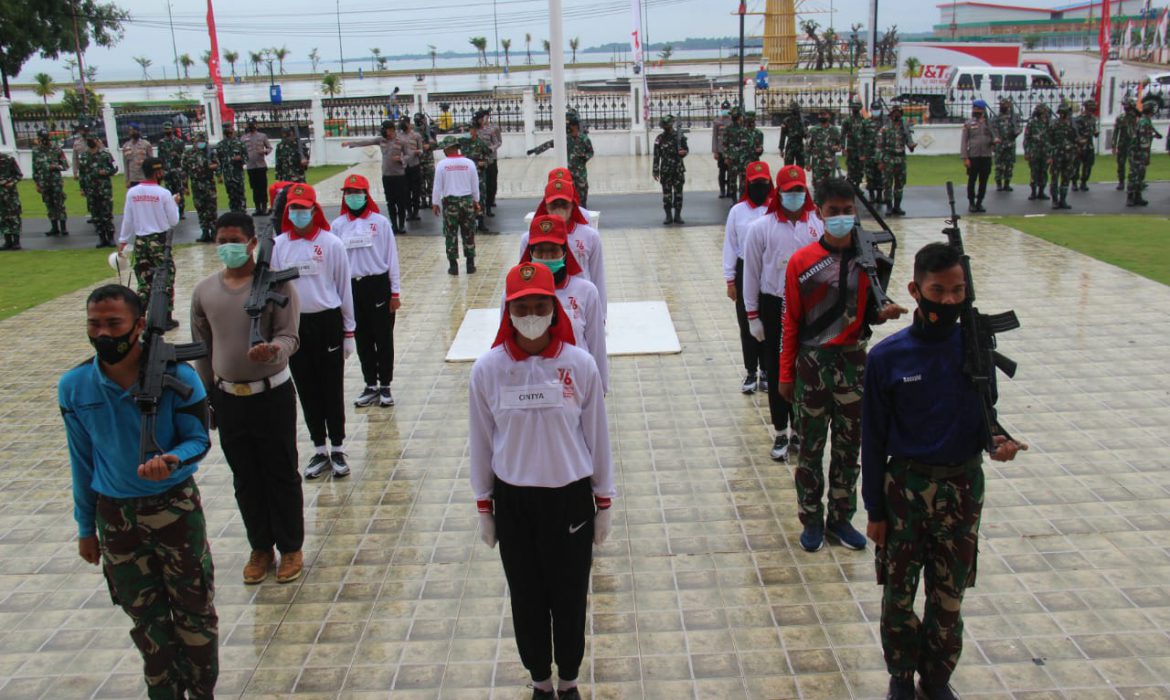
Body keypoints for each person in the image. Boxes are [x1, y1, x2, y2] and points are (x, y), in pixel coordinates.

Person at [862, 242, 1027, 700]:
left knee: (949, 596)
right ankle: (900, 677)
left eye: (959, 291)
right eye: (939, 290)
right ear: (916, 290)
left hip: (962, 488)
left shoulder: (974, 346)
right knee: (898, 594)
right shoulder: (888, 357)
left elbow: (985, 414)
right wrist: (874, 508)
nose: (951, 300)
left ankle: (935, 680)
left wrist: (998, 443)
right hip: (906, 490)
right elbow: (872, 440)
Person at [60, 283, 218, 699]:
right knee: (147, 623)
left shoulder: (178, 376)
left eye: (114, 323)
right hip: (116, 518)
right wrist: (85, 527)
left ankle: (202, 692)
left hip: (174, 510)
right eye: (94, 325)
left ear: (140, 326)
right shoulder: (75, 387)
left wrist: (171, 459)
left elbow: (198, 438)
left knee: (194, 616)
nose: (103, 334)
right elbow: (82, 462)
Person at [469, 262, 614, 700]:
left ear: (554, 308)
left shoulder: (580, 365)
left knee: (569, 597)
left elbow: (597, 436)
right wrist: (484, 504)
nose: (531, 315)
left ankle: (568, 679)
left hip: (568, 499)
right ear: (508, 312)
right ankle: (540, 681)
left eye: (539, 305)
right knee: (527, 597)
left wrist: (603, 499)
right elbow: (480, 440)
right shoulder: (487, 371)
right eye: (522, 307)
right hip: (514, 502)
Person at [779, 177, 907, 553]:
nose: (840, 218)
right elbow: (790, 322)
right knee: (811, 450)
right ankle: (811, 520)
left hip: (854, 362)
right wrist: (786, 374)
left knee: (850, 449)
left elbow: (870, 312)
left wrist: (886, 313)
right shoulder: (802, 262)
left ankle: (840, 518)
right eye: (832, 212)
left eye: (847, 211)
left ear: (856, 212)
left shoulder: (869, 260)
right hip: (812, 364)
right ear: (820, 212)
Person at [191, 211, 305, 585]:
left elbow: (291, 336)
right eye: (221, 241)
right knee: (245, 477)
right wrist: (208, 395)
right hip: (229, 398)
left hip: (270, 394)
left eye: (235, 241)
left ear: (252, 243)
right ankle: (260, 547)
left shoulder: (276, 286)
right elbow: (202, 349)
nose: (228, 248)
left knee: (281, 472)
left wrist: (274, 350)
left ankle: (290, 546)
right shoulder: (205, 291)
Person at [270, 183, 356, 479]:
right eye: (293, 209)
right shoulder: (279, 245)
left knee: (331, 387)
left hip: (327, 321)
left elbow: (343, 287)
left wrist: (349, 331)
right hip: (295, 326)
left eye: (303, 209)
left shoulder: (331, 243)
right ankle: (319, 448)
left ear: (313, 209)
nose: (298, 214)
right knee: (306, 388)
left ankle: (338, 447)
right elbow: (275, 290)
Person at [743, 164, 824, 461]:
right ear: (779, 193)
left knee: (806, 368)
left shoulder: (817, 225)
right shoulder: (761, 228)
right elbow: (750, 274)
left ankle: (799, 430)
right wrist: (752, 316)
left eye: (800, 191)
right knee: (778, 368)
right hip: (775, 304)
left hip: (809, 306)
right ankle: (780, 431)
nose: (795, 196)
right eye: (789, 192)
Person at [331, 174, 402, 408]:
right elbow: (335, 263)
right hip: (352, 287)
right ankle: (370, 383)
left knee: (383, 337)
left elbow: (391, 257)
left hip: (377, 285)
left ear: (366, 194)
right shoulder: (338, 225)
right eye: (348, 193)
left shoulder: (380, 223)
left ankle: (386, 385)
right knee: (361, 337)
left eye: (357, 192)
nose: (353, 197)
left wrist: (395, 293)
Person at [521, 215, 608, 392]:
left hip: (576, 383)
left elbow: (596, 344)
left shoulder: (586, 291)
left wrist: (600, 386)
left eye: (553, 250)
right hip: (532, 387)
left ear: (565, 252)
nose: (546, 257)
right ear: (530, 253)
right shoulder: (513, 297)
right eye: (540, 251)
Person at [520, 173, 607, 314]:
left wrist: (601, 314)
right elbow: (524, 272)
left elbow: (598, 276)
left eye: (564, 204)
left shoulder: (590, 236)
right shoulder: (528, 238)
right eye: (554, 204)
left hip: (579, 302)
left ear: (573, 204)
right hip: (541, 302)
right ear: (546, 205)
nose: (559, 209)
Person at [722, 161, 773, 395]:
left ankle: (767, 371)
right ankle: (751, 370)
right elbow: (730, 246)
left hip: (770, 268)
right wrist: (730, 279)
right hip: (745, 269)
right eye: (755, 183)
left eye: (764, 183)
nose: (760, 187)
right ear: (747, 183)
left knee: (769, 319)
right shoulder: (738, 211)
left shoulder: (776, 208)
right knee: (747, 321)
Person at [118, 158, 180, 327]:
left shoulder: (132, 192)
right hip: (159, 242)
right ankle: (165, 317)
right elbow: (173, 220)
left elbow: (128, 219)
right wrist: (174, 204)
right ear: (158, 173)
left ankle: (139, 316)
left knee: (144, 282)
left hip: (140, 242)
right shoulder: (163, 193)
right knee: (166, 278)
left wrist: (123, 240)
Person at [343, 120, 410, 234]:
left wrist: (401, 159)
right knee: (390, 202)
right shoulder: (381, 140)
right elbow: (367, 141)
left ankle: (402, 224)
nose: (384, 132)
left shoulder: (402, 141)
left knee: (401, 201)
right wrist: (351, 143)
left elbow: (409, 155)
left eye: (386, 130)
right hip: (387, 175)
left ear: (392, 130)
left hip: (399, 175)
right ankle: (394, 225)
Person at [431, 136, 480, 275]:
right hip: (467, 202)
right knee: (469, 232)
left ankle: (453, 266)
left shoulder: (442, 165)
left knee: (450, 234)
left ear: (448, 148)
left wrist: (435, 203)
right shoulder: (469, 163)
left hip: (450, 203)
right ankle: (470, 264)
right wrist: (476, 201)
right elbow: (475, 185)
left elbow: (437, 186)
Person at [959, 100, 999, 213]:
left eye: (978, 109)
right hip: (973, 156)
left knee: (984, 180)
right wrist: (965, 157)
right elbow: (964, 142)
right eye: (974, 108)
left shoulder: (989, 124)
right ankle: (971, 203)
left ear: (983, 110)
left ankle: (979, 202)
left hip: (986, 155)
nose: (975, 110)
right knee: (972, 180)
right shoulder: (969, 123)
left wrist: (995, 141)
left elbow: (994, 138)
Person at [80, 136, 119, 248]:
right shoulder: (84, 156)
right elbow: (82, 174)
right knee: (96, 215)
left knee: (106, 214)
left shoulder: (105, 155)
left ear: (98, 142)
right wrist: (82, 188)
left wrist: (105, 171)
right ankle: (102, 238)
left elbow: (114, 169)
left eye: (94, 140)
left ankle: (111, 238)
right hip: (91, 190)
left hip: (104, 189)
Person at [876, 105, 915, 216]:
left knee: (900, 184)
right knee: (887, 184)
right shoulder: (885, 129)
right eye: (894, 113)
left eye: (898, 113)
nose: (896, 115)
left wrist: (911, 146)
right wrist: (880, 161)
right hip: (888, 159)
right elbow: (879, 146)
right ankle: (889, 206)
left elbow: (909, 141)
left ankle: (897, 206)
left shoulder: (905, 127)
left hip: (900, 159)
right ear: (891, 115)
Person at [32, 128, 70, 237]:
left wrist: (56, 166)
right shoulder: (36, 151)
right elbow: (35, 168)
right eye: (41, 138)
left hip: (55, 182)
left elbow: (65, 166)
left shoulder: (57, 149)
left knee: (59, 204)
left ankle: (63, 228)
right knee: (49, 205)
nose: (44, 140)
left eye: (45, 138)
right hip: (44, 182)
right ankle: (54, 227)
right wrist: (37, 183)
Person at [652, 114, 689, 225]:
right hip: (665, 170)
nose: (665, 127)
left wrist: (684, 152)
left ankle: (677, 215)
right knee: (667, 194)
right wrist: (655, 170)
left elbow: (686, 149)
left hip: (678, 168)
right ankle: (668, 216)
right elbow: (656, 156)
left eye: (666, 125)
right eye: (664, 125)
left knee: (678, 193)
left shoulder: (680, 136)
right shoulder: (659, 138)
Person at [183, 133, 220, 243]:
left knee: (211, 208)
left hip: (209, 184)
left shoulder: (210, 153)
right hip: (196, 185)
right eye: (199, 141)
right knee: (200, 208)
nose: (201, 143)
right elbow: (184, 171)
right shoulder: (188, 154)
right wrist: (185, 187)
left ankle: (214, 231)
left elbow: (217, 164)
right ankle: (204, 231)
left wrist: (212, 167)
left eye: (203, 141)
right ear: (194, 142)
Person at [1126, 101, 1162, 207]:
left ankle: (1138, 196)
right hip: (1137, 152)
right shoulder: (1144, 122)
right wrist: (1146, 155)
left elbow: (1146, 135)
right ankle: (1130, 197)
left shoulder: (1146, 121)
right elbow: (1143, 141)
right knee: (1134, 174)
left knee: (1140, 175)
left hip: (1140, 152)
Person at [461, 120, 493, 233]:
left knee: (481, 198)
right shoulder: (464, 143)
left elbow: (490, 157)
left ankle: (481, 222)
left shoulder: (481, 143)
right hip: (466, 176)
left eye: (473, 129)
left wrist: (484, 162)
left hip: (479, 175)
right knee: (468, 199)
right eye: (469, 129)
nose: (471, 132)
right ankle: (471, 222)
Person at [1047, 103, 1078, 210]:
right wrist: (1050, 155)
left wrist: (1074, 148)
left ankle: (1063, 200)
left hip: (1068, 155)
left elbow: (1076, 139)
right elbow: (1049, 141)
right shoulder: (1054, 125)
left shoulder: (1072, 125)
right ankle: (1055, 200)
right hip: (1057, 155)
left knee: (1066, 178)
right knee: (1054, 178)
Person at [806, 107, 842, 194]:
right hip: (817, 164)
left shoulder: (835, 130)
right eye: (820, 114)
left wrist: (837, 148)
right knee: (818, 187)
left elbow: (840, 145)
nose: (822, 116)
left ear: (829, 116)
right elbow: (807, 148)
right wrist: (807, 163)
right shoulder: (813, 130)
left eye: (824, 114)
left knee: (830, 187)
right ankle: (818, 205)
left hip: (830, 164)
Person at [242, 119, 273, 215]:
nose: (251, 126)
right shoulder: (243, 138)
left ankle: (264, 207)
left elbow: (269, 147)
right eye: (249, 124)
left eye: (253, 124)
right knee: (254, 188)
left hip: (261, 165)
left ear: (256, 125)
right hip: (251, 166)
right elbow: (241, 150)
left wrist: (264, 151)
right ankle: (257, 208)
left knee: (262, 187)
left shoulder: (262, 136)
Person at [157, 121, 188, 220]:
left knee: (179, 191)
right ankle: (171, 212)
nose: (167, 130)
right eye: (166, 129)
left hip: (177, 170)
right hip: (167, 171)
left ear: (172, 129)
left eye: (169, 128)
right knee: (169, 193)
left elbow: (184, 156)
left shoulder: (179, 142)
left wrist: (177, 155)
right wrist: (160, 170)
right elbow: (160, 157)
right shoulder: (161, 143)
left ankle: (181, 211)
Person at [216, 122, 248, 213]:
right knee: (231, 195)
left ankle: (242, 212)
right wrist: (218, 175)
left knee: (241, 194)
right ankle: (234, 212)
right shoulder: (220, 145)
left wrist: (240, 158)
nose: (230, 131)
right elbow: (218, 161)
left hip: (238, 174)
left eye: (230, 129)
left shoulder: (239, 143)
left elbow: (246, 157)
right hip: (227, 175)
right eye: (227, 129)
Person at [478, 108, 503, 217]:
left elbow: (498, 142)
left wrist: (491, 149)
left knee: (491, 182)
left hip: (491, 159)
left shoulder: (493, 129)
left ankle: (490, 200)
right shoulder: (474, 130)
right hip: (478, 161)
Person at [841, 100, 871, 190]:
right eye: (853, 107)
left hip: (861, 149)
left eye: (856, 106)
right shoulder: (847, 120)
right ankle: (850, 187)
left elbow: (867, 136)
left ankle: (857, 186)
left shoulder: (864, 121)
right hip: (851, 148)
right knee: (850, 168)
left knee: (860, 169)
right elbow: (843, 134)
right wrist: (843, 148)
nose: (855, 108)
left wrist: (866, 150)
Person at [398, 117, 424, 221]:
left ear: (409, 124)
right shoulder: (398, 136)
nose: (402, 125)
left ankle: (416, 211)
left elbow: (421, 149)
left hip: (415, 165)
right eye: (401, 123)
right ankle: (408, 212)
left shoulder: (416, 135)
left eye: (404, 123)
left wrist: (419, 152)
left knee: (416, 190)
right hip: (403, 166)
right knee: (405, 191)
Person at [1023, 104, 1051, 201]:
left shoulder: (1048, 123)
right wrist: (1027, 151)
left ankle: (1041, 192)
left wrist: (1050, 154)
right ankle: (1033, 192)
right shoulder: (1031, 123)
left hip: (1045, 152)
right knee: (1034, 172)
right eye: (1043, 112)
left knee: (1044, 172)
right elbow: (1026, 138)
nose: (1045, 114)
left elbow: (1051, 138)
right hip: (1034, 152)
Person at [992, 98, 1020, 192]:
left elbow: (1019, 128)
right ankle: (999, 184)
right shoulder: (996, 118)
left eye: (1007, 105)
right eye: (1004, 105)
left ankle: (1007, 183)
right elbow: (993, 130)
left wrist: (1016, 132)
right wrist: (996, 138)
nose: (1006, 107)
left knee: (1010, 164)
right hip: (1000, 145)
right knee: (999, 165)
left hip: (1010, 144)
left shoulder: (1013, 117)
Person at [567, 112, 594, 206]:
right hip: (569, 174)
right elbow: (551, 143)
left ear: (575, 126)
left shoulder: (584, 139)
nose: (569, 128)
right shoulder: (566, 139)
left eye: (571, 126)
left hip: (580, 174)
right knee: (570, 199)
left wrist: (584, 157)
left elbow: (591, 152)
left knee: (582, 199)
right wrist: (535, 150)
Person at [721, 107, 748, 200]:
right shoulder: (744, 130)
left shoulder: (728, 129)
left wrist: (726, 157)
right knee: (742, 180)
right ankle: (740, 199)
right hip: (742, 159)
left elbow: (724, 145)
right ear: (740, 117)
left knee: (733, 180)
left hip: (733, 158)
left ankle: (734, 200)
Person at [1111, 99, 1138, 191]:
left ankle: (1134, 182)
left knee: (1133, 164)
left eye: (1128, 107)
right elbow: (1116, 132)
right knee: (1121, 164)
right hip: (1122, 144)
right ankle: (1121, 182)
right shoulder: (1121, 118)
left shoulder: (1137, 117)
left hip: (1133, 144)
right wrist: (1113, 145)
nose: (1127, 109)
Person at [1073, 98, 1098, 191]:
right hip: (1079, 146)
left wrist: (1095, 133)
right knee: (1076, 165)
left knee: (1088, 165)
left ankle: (1084, 182)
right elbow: (1075, 133)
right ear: (1086, 108)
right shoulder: (1078, 119)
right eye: (1089, 109)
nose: (1090, 111)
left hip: (1089, 145)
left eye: (1092, 109)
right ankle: (1074, 182)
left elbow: (1094, 130)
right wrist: (1079, 140)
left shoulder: (1093, 119)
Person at [0, 150, 23, 250]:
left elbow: (19, 175)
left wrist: (11, 182)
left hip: (10, 194)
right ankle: (7, 241)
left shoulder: (8, 159)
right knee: (3, 218)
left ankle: (16, 242)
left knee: (14, 217)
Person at [414, 112, 437, 211]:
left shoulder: (430, 131)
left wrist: (429, 146)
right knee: (420, 182)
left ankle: (431, 199)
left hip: (429, 160)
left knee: (431, 180)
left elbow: (436, 145)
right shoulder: (414, 133)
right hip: (418, 160)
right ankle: (423, 200)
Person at [121, 123, 154, 188]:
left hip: (144, 177)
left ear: (138, 131)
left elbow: (151, 162)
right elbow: (126, 164)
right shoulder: (126, 146)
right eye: (130, 130)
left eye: (133, 130)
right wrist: (127, 180)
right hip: (133, 178)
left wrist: (152, 177)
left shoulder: (146, 144)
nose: (132, 132)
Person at [865, 103, 885, 203]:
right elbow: (861, 138)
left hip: (881, 154)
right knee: (870, 175)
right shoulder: (866, 123)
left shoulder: (884, 123)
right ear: (871, 110)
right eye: (874, 109)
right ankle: (872, 195)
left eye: (878, 109)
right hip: (869, 154)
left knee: (880, 175)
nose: (876, 111)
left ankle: (880, 196)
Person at [712, 101, 732, 198]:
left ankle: (730, 190)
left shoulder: (733, 121)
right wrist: (715, 151)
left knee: (731, 172)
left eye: (727, 108)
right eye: (724, 109)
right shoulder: (717, 122)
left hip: (731, 151)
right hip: (721, 150)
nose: (725, 111)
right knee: (722, 171)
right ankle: (722, 190)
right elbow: (714, 137)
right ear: (721, 109)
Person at [779, 100, 806, 168]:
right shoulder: (786, 120)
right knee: (788, 167)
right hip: (790, 145)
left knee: (800, 167)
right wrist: (781, 149)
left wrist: (803, 128)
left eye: (794, 110)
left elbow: (806, 135)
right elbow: (783, 135)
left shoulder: (802, 121)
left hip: (800, 145)